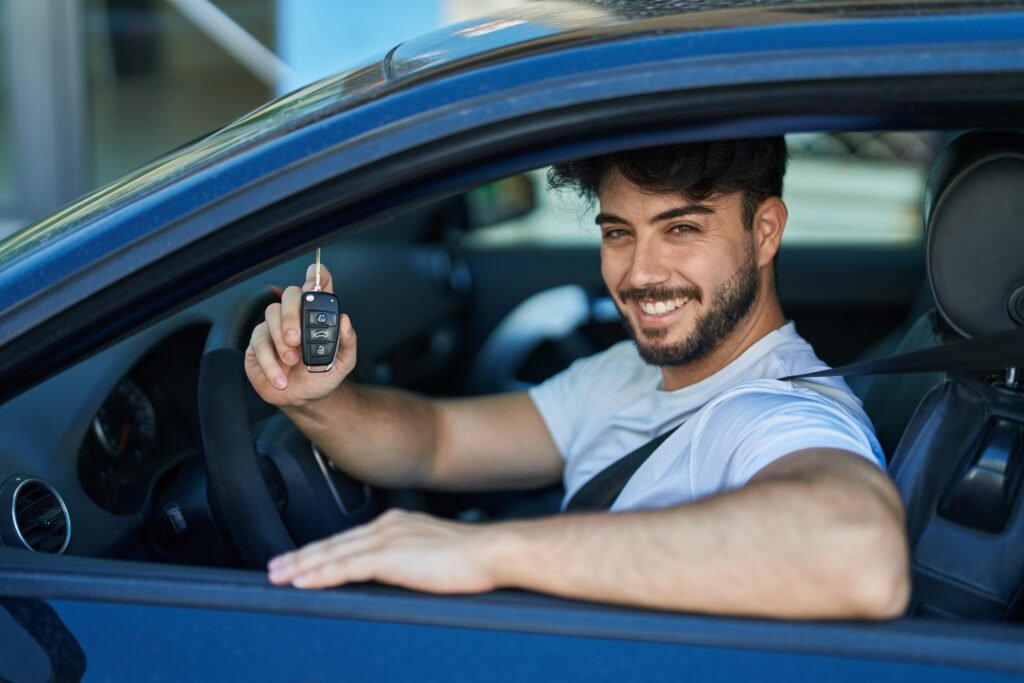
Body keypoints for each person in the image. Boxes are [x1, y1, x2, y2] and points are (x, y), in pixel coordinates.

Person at [245, 137, 910, 619]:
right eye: (619, 233)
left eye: (681, 228)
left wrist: (485, 551)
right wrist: (316, 400)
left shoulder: (784, 411)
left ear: (765, 232)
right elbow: (436, 441)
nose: (641, 272)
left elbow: (857, 550)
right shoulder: (626, 372)